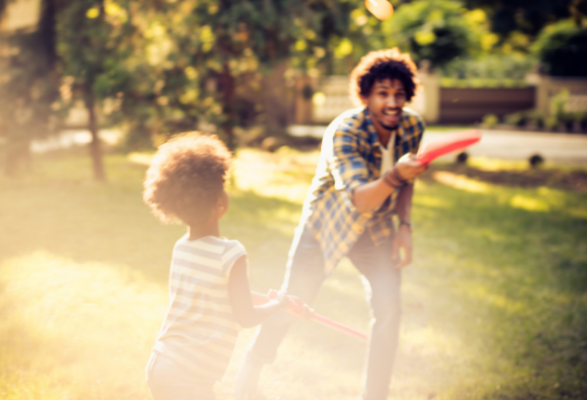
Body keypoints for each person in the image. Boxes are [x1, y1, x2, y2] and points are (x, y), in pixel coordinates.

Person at [233, 48, 428, 400]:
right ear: (365, 95)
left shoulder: (412, 126)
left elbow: (407, 181)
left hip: (378, 232)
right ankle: (253, 364)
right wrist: (398, 173)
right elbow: (360, 199)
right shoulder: (345, 131)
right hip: (326, 227)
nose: (392, 103)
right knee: (290, 305)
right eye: (383, 93)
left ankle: (375, 396)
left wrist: (405, 227)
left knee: (390, 310)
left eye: (399, 95)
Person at [142, 132, 293, 400]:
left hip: (162, 362)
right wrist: (278, 305)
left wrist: (279, 300)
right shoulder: (230, 253)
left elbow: (216, 293)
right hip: (188, 378)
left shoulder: (182, 248)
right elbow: (245, 316)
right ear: (218, 202)